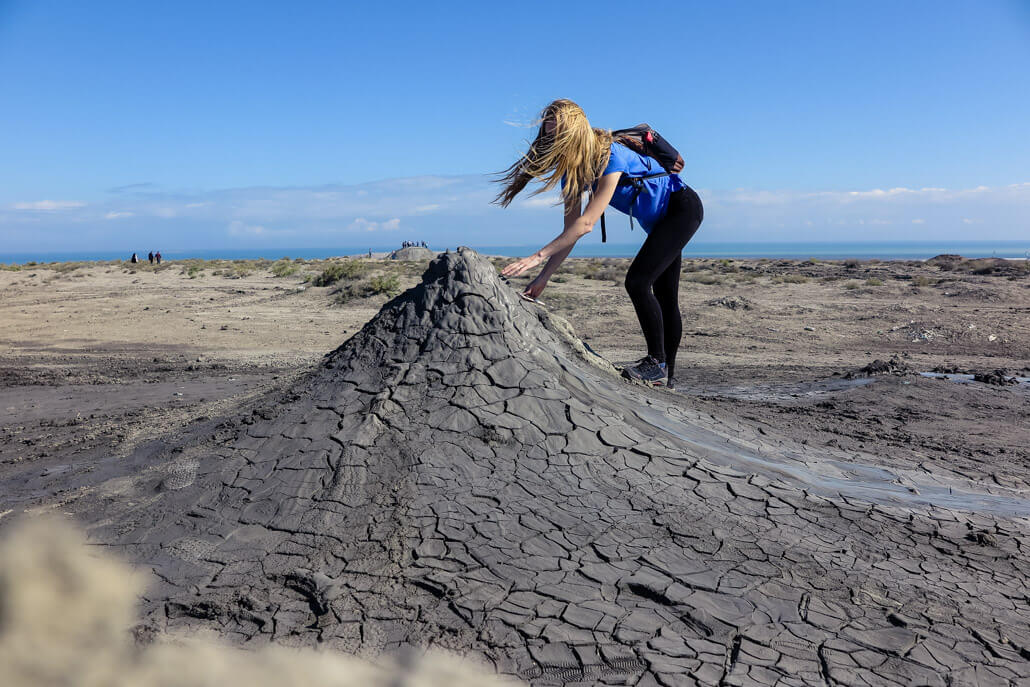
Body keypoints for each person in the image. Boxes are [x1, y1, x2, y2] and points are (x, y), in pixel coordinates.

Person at [494, 99, 703, 389]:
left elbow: (587, 223)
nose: (553, 141)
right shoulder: (573, 172)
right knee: (664, 296)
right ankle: (667, 378)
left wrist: (537, 256)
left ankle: (657, 364)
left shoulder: (610, 155)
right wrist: (543, 278)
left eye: (558, 135)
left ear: (574, 132)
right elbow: (572, 231)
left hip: (682, 209)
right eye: (549, 135)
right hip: (659, 223)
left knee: (639, 282)